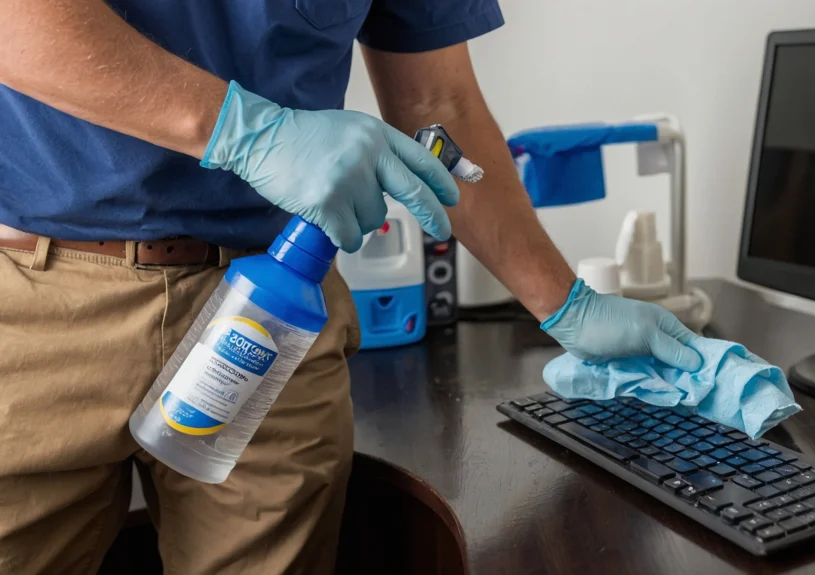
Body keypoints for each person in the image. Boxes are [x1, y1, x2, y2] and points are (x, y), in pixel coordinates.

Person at [0, 1, 701, 573]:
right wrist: (249, 133)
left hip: (277, 310)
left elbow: (436, 102)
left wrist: (567, 303)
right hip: (37, 301)